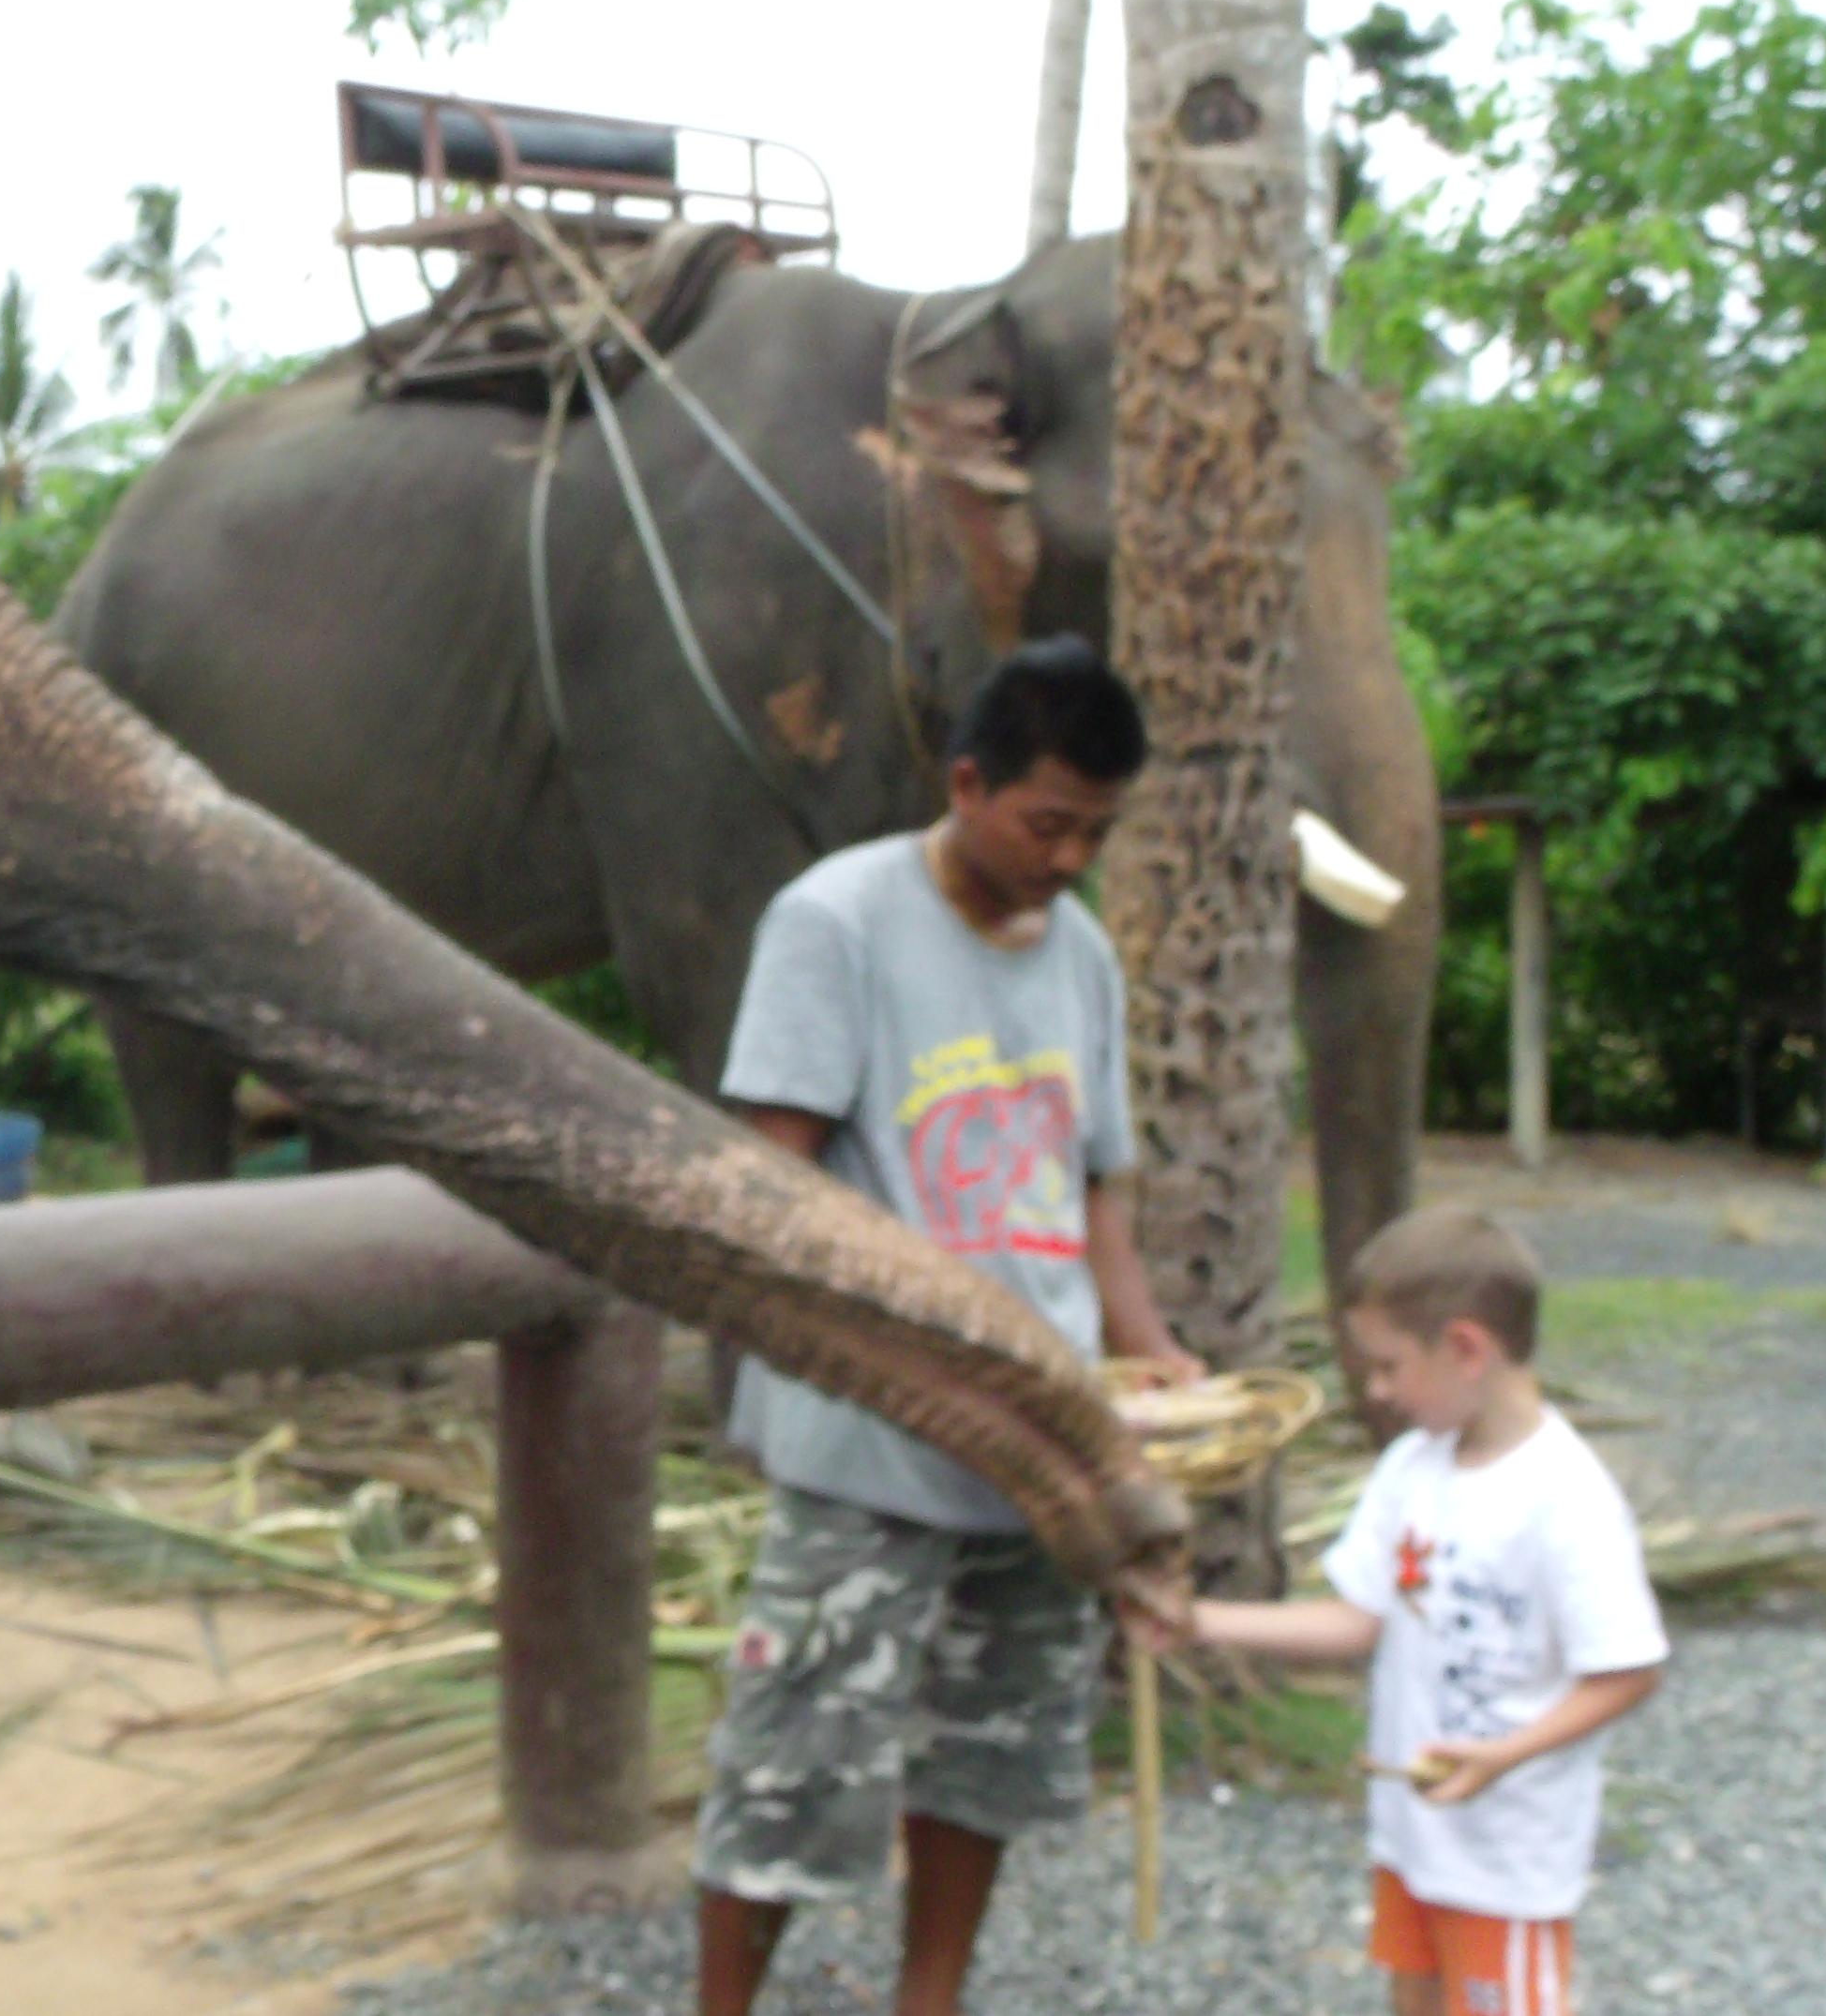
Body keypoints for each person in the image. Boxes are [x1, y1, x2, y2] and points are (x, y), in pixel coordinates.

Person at [695, 635, 1199, 2016]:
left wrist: (1140, 1352)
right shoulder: (834, 922)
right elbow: (768, 1184)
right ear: (966, 784)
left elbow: (1094, 1190)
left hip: (1037, 1443)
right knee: (790, 1756)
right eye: (1046, 823)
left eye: (1095, 830)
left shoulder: (1080, 952)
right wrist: (889, 1349)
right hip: (870, 1435)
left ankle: (932, 1997)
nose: (1067, 857)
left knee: (984, 1751)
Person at [1169, 1206, 1666, 2016]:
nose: (1377, 1389)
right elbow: (1359, 1617)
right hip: (1415, 1844)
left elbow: (1627, 1668)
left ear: (1466, 1347)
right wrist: (1199, 1621)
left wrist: (1503, 1754)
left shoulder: (1565, 1498)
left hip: (1506, 1863)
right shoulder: (1410, 1467)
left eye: (1389, 1364)